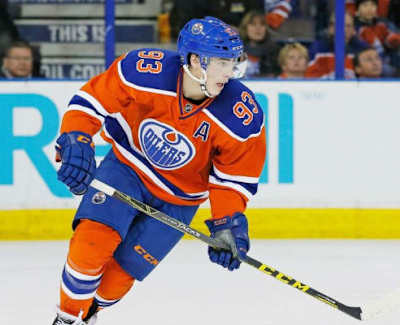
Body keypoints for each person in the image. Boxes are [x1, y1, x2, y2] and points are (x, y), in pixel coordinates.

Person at [52, 16, 266, 325]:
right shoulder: (144, 70)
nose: (229, 72)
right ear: (195, 60)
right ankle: (67, 318)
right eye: (221, 62)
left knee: (120, 276)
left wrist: (227, 223)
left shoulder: (241, 114)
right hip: (127, 166)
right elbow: (91, 100)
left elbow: (233, 179)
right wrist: (77, 136)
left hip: (180, 199)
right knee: (91, 243)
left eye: (232, 62)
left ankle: (90, 315)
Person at [306, 12, 368, 79]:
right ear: (330, 28)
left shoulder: (363, 49)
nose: (344, 29)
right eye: (340, 25)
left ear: (354, 30)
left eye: (348, 26)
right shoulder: (317, 48)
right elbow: (309, 76)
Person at [354, 0, 400, 76]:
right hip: (366, 64)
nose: (369, 9)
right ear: (357, 9)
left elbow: (394, 39)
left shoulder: (384, 24)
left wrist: (390, 42)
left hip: (386, 61)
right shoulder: (354, 27)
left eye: (373, 5)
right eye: (365, 5)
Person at [239, 10, 281, 78]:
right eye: (253, 24)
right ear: (245, 28)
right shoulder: (234, 51)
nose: (258, 28)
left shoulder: (276, 51)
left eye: (262, 24)